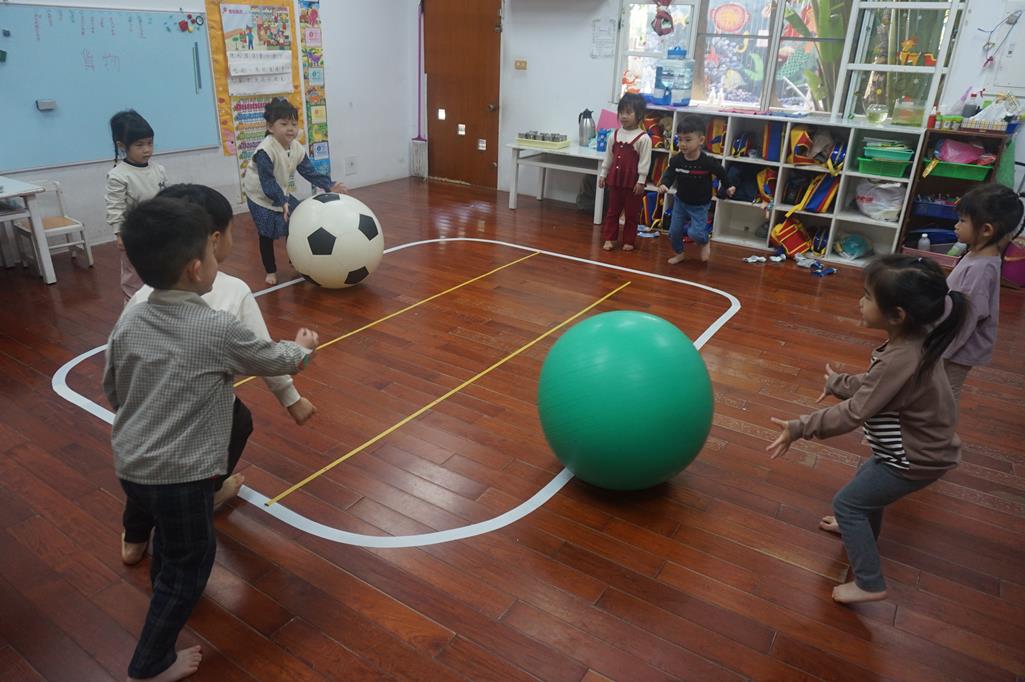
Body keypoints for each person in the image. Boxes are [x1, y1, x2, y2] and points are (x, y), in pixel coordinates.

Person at [104, 197, 318, 681]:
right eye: (212, 252)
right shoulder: (214, 327)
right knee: (191, 565)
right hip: (181, 477)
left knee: (171, 543)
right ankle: (150, 663)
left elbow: (112, 387)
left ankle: (157, 569)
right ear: (197, 268)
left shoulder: (130, 318)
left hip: (131, 465)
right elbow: (271, 357)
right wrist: (302, 351)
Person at [119, 183, 318, 566]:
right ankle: (207, 494)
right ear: (212, 240)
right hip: (198, 429)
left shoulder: (140, 300)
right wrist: (295, 386)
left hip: (139, 434)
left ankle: (134, 537)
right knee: (234, 426)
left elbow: (116, 374)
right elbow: (267, 357)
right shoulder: (233, 291)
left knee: (147, 478)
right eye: (230, 230)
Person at [766, 255, 967, 605]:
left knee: (848, 503)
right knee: (865, 485)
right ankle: (858, 530)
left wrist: (800, 427)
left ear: (897, 315)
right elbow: (875, 385)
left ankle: (870, 583)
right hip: (915, 451)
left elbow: (855, 412)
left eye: (867, 296)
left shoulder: (902, 357)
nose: (860, 301)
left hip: (914, 458)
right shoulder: (912, 342)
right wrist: (839, 383)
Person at [241, 97, 346, 285]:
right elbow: (267, 182)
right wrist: (281, 201)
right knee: (267, 233)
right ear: (270, 127)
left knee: (295, 221)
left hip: (280, 192)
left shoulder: (296, 148)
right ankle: (271, 271)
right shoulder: (265, 151)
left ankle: (295, 260)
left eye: (294, 124)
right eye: (284, 124)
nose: (290, 128)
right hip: (260, 196)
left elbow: (308, 171)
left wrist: (328, 184)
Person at [943, 184, 1024, 400]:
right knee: (938, 391)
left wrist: (944, 351)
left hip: (959, 349)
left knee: (945, 395)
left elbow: (968, 316)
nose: (956, 225)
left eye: (962, 221)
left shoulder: (980, 269)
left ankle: (942, 423)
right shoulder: (977, 256)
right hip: (952, 340)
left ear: (986, 230)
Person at [105, 110, 167, 302]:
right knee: (134, 276)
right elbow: (115, 207)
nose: (147, 149)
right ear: (122, 146)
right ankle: (134, 308)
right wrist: (119, 233)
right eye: (139, 145)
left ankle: (160, 303)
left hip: (159, 230)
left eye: (150, 143)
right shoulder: (118, 175)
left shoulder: (158, 169)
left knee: (162, 269)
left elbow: (166, 199)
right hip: (134, 233)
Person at [657, 115, 735, 263]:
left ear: (701, 140)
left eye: (688, 140)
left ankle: (705, 241)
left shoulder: (707, 162)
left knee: (695, 233)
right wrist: (665, 184)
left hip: (700, 205)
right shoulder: (677, 160)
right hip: (681, 202)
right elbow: (670, 173)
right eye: (680, 139)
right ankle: (679, 253)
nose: (683, 144)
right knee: (674, 232)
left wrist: (728, 186)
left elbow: (721, 172)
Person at [598, 93, 652, 252]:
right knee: (612, 211)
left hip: (633, 183)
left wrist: (641, 181)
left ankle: (629, 240)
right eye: (621, 112)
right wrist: (603, 174)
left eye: (628, 112)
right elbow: (608, 157)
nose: (623, 116)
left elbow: (645, 162)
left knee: (631, 214)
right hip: (615, 180)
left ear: (639, 115)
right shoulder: (613, 135)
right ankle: (610, 238)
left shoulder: (643, 138)